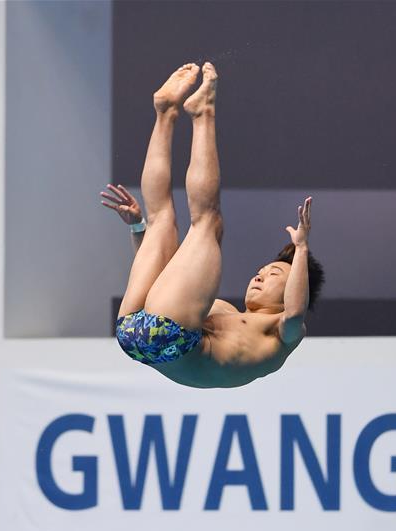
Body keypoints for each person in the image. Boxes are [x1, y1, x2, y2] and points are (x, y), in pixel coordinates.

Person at [100, 62, 324, 388]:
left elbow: (294, 312)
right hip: (136, 333)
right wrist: (138, 230)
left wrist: (301, 248)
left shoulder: (281, 332)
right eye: (263, 270)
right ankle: (165, 113)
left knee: (208, 224)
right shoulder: (219, 311)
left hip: (157, 335)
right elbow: (162, 284)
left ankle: (203, 112)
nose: (260, 275)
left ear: (291, 290)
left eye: (275, 275)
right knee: (159, 219)